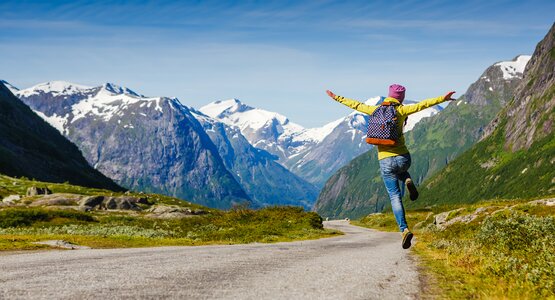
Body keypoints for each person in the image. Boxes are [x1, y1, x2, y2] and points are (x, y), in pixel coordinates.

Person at [326, 84, 456, 249]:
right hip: (403, 158)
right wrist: (443, 99)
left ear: (388, 95)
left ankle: (404, 230)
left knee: (395, 197)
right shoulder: (401, 111)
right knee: (402, 170)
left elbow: (355, 104)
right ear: (400, 98)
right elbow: (423, 104)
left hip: (385, 161)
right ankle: (407, 179)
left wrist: (336, 97)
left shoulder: (374, 110)